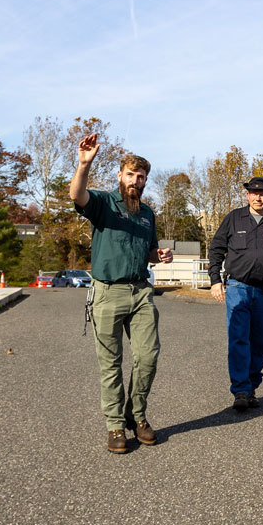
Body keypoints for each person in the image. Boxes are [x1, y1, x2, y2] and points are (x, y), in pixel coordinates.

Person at [70, 133, 173, 454]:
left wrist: (160, 255)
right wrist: (83, 164)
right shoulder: (102, 203)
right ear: (120, 175)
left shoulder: (146, 214)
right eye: (130, 174)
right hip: (107, 293)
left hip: (141, 292)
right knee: (110, 363)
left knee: (148, 357)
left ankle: (137, 415)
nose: (136, 180)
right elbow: (78, 195)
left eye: (141, 177)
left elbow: (148, 251)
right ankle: (115, 424)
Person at [207, 177, 263, 411]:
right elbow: (216, 249)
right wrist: (215, 280)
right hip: (238, 287)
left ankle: (251, 386)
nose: (258, 197)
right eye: (254, 193)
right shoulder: (234, 218)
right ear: (247, 195)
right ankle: (241, 391)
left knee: (260, 343)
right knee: (238, 340)